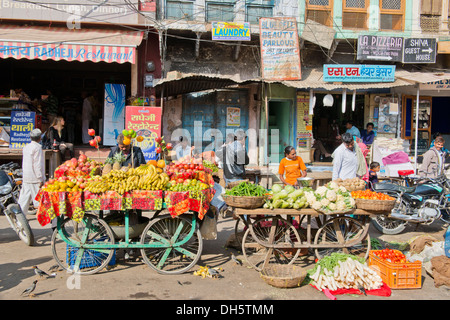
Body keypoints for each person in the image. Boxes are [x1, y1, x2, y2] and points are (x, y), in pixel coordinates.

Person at [18, 129, 45, 216]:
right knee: (39, 200)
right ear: (40, 138)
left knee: (24, 199)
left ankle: (19, 216)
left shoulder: (26, 147)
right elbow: (37, 164)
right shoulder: (37, 148)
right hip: (34, 178)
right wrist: (40, 178)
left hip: (26, 176)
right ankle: (43, 217)